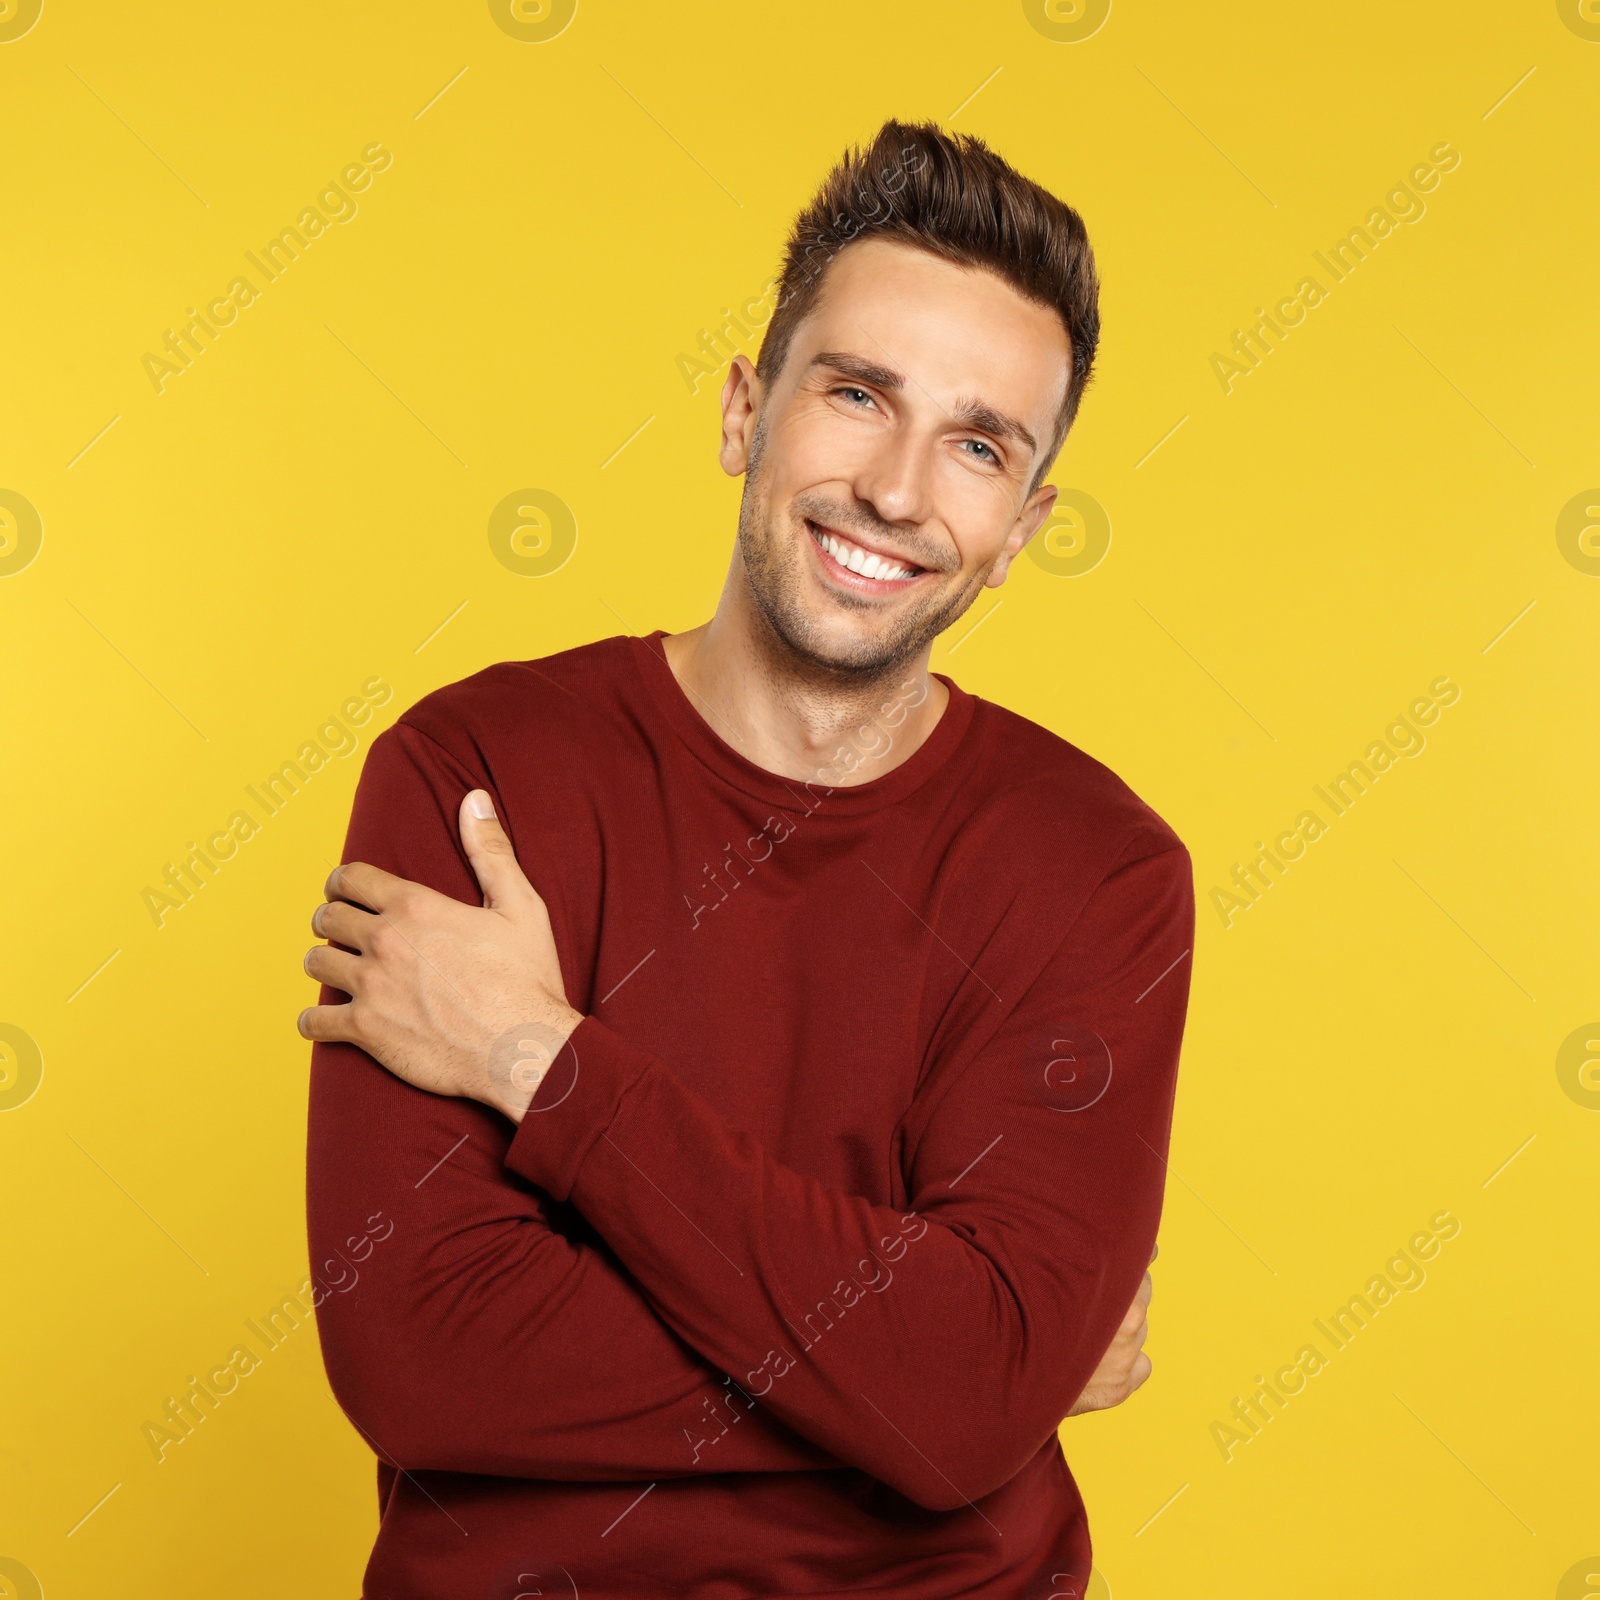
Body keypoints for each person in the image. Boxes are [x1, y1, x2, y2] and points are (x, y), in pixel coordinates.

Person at [300, 117, 1194, 1600]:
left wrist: (539, 1056)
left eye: (978, 446)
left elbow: (969, 1393)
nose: (900, 492)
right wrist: (939, 1385)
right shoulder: (471, 774)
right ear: (743, 413)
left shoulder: (1102, 872)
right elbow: (417, 1353)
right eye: (857, 395)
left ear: (1021, 529)